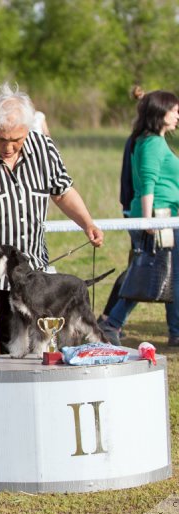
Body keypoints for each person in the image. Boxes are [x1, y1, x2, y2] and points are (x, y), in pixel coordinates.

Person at [0, 83, 104, 357]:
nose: (7, 147)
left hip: (30, 272)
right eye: (0, 139)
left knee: (23, 347)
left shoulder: (45, 149)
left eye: (15, 139)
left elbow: (63, 192)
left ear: (29, 130)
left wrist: (87, 222)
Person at [98, 90, 179, 347]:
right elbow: (147, 184)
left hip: (164, 216)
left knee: (167, 275)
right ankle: (111, 323)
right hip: (159, 217)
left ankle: (176, 331)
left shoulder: (152, 140)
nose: (178, 115)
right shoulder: (152, 143)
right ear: (161, 113)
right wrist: (148, 223)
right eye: (175, 110)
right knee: (147, 274)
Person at [98, 86, 146, 329]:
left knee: (139, 267)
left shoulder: (141, 139)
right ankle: (109, 319)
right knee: (137, 269)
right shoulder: (142, 141)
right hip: (138, 212)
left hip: (134, 208)